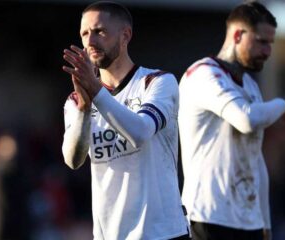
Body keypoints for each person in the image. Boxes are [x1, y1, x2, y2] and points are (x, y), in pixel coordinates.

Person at [178, 2, 285, 240]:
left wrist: (265, 223)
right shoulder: (203, 74)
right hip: (208, 217)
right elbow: (246, 119)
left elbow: (255, 159)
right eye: (262, 42)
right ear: (238, 35)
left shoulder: (249, 85)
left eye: (271, 44)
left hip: (249, 222)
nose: (268, 51)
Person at [61, 1, 189, 239]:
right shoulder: (77, 101)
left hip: (162, 233)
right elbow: (73, 159)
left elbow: (140, 132)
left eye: (99, 32)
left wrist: (96, 92)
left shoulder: (157, 82)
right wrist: (84, 110)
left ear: (125, 35)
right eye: (85, 34)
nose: (90, 42)